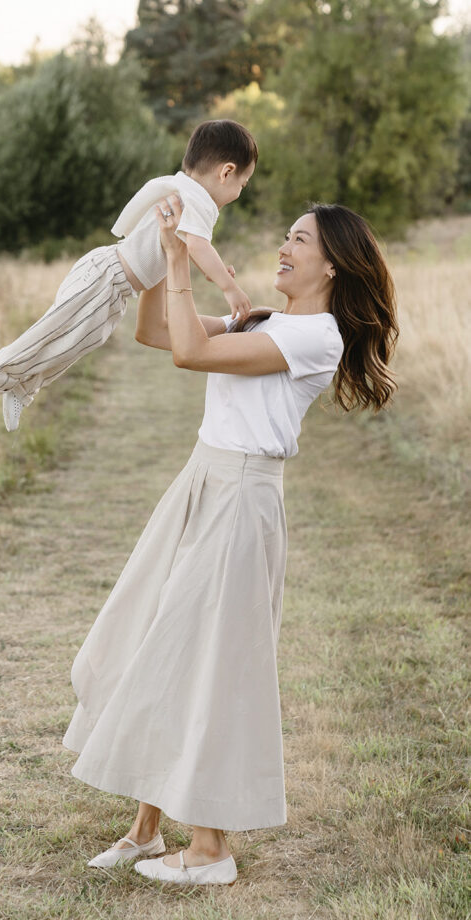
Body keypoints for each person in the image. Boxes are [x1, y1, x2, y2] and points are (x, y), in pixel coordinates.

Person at [62, 195, 399, 886]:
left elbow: (190, 355)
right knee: (156, 638)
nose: (283, 246)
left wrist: (185, 261)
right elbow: (156, 333)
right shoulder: (266, 319)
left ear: (332, 263)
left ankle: (210, 849)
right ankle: (146, 830)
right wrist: (156, 255)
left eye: (298, 241)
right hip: (202, 480)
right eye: (285, 235)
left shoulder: (317, 336)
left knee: (205, 660)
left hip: (243, 496)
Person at [0, 119, 257, 432]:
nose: (239, 193)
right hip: (106, 276)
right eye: (242, 186)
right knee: (55, 328)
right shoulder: (196, 198)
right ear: (226, 172)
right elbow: (200, 246)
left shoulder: (184, 193)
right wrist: (229, 287)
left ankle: (22, 386)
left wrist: (214, 271)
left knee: (73, 344)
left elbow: (188, 248)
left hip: (116, 289)